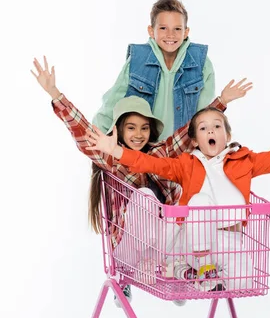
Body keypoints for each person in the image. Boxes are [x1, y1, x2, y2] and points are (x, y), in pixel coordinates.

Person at [31, 57, 252, 302]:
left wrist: (221, 102)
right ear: (119, 129)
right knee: (146, 197)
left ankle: (178, 271)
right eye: (132, 128)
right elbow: (82, 131)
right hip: (130, 248)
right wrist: (55, 93)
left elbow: (190, 133)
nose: (138, 135)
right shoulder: (111, 155)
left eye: (144, 128)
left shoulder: (160, 152)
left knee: (192, 207)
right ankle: (147, 270)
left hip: (162, 243)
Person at [85, 107, 270, 293]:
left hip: (227, 240)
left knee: (244, 282)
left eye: (217, 126)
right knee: (200, 201)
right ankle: (196, 267)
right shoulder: (186, 164)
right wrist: (115, 151)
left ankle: (185, 271)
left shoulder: (245, 161)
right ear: (195, 140)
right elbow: (150, 163)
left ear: (227, 134)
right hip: (190, 238)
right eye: (204, 128)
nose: (211, 131)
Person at [93, 0, 215, 140]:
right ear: (151, 31)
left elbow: (204, 113)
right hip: (143, 148)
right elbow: (112, 104)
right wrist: (98, 138)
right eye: (163, 28)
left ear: (186, 32)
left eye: (177, 29)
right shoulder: (138, 60)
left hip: (182, 149)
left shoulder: (201, 62)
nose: (171, 34)